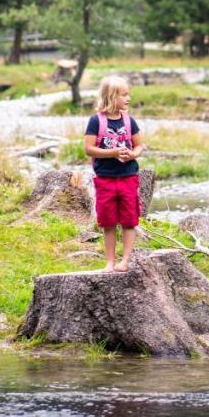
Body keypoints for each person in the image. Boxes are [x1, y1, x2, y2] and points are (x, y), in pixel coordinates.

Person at [83, 75, 145, 273]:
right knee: (108, 222)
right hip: (105, 180)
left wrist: (131, 155)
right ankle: (109, 262)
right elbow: (89, 149)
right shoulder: (96, 121)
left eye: (128, 94)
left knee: (129, 220)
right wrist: (113, 153)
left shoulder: (129, 121)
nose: (128, 99)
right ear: (111, 97)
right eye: (124, 95)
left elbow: (139, 145)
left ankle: (124, 261)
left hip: (128, 178)